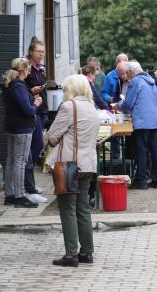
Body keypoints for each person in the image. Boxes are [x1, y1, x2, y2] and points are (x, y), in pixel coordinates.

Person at [43, 75, 100, 267]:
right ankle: (87, 252)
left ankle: (71, 255)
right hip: (88, 164)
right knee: (83, 208)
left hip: (68, 164)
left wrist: (47, 137)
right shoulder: (93, 109)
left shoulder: (69, 107)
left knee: (67, 209)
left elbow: (52, 137)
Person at [115, 61, 157, 190]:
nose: (127, 77)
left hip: (141, 121)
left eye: (128, 73)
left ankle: (141, 180)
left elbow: (128, 103)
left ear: (132, 72)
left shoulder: (135, 82)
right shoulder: (150, 80)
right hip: (154, 120)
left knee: (141, 151)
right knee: (154, 151)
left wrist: (119, 105)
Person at [2, 57, 42, 208]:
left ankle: (10, 194)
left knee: (11, 160)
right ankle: (19, 196)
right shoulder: (18, 85)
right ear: (24, 70)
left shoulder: (10, 84)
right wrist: (36, 104)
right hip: (22, 128)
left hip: (11, 127)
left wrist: (29, 93)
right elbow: (28, 109)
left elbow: (18, 102)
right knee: (20, 162)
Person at [24, 37, 49, 204]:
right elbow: (19, 89)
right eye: (39, 52)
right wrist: (31, 91)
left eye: (43, 52)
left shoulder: (39, 69)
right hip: (32, 112)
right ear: (31, 52)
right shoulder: (26, 69)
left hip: (40, 112)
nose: (41, 55)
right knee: (34, 148)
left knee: (37, 147)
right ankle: (29, 188)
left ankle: (30, 185)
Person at [102, 53, 129, 160]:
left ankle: (128, 159)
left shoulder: (130, 74)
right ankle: (116, 160)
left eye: (126, 62)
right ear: (117, 64)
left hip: (128, 109)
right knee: (115, 137)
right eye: (122, 62)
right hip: (114, 110)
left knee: (129, 136)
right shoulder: (110, 76)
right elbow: (104, 93)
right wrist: (111, 99)